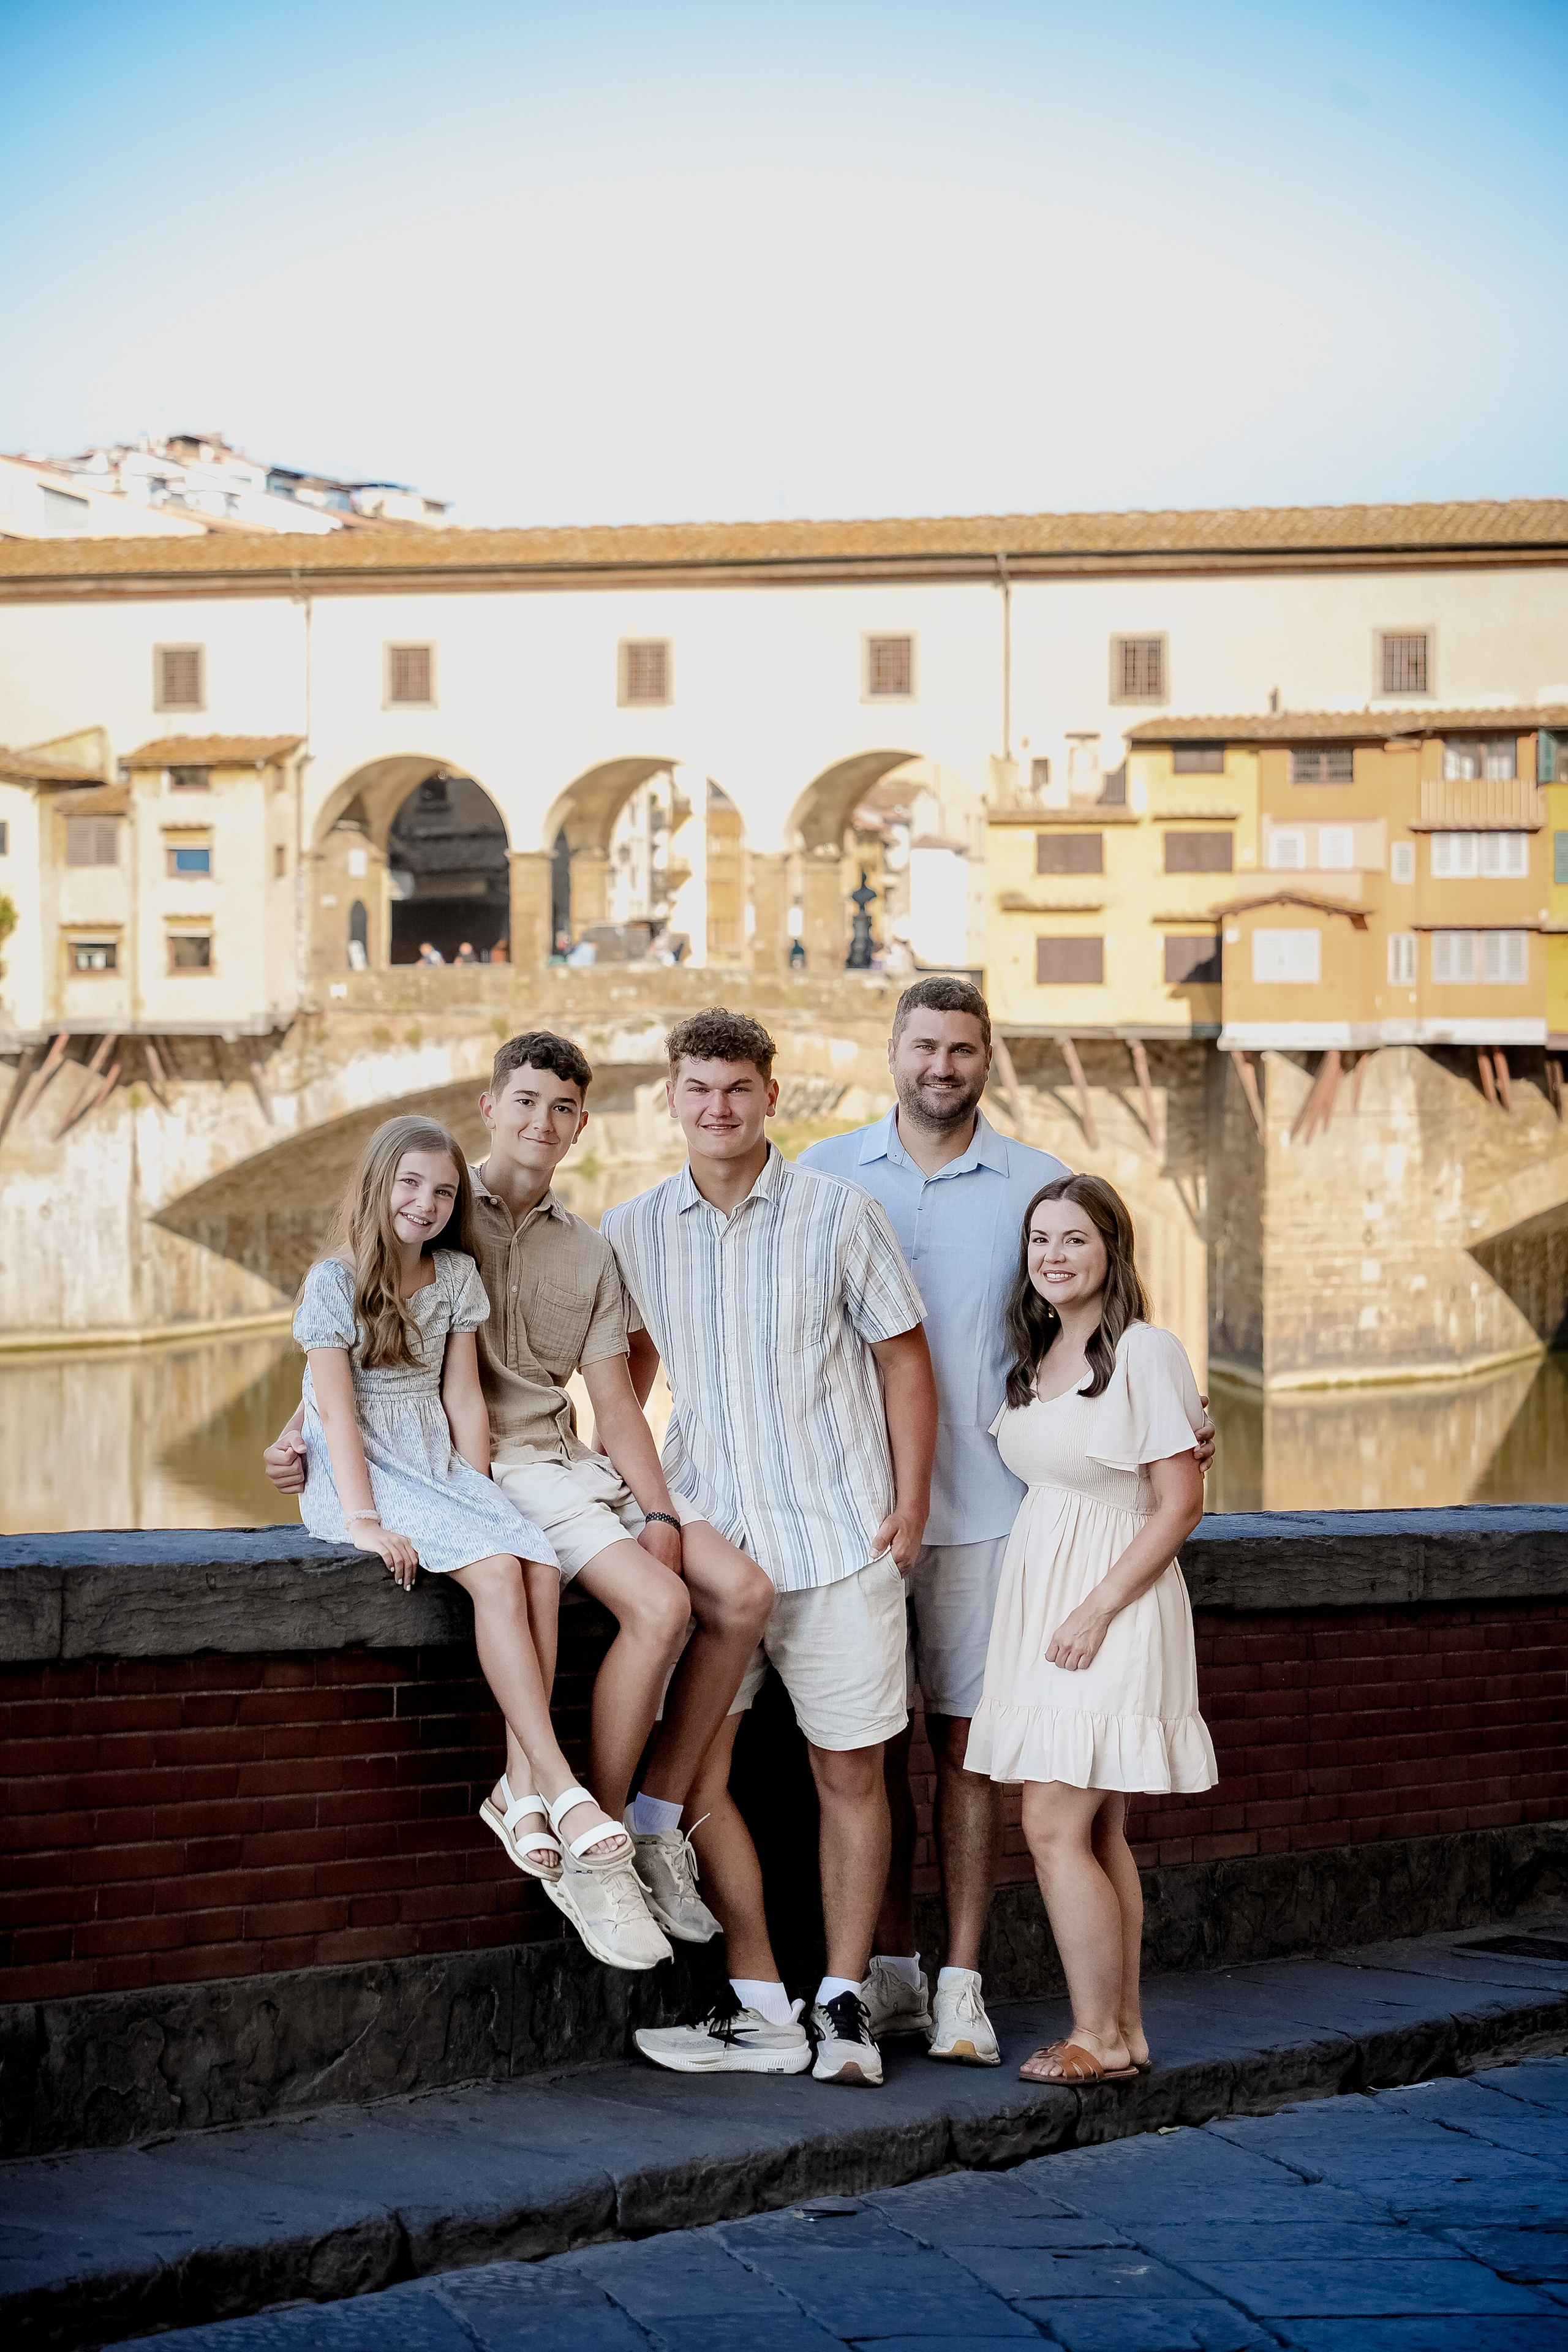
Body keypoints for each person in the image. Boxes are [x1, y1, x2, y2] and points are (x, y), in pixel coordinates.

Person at [265, 1032, 773, 1967]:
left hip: (574, 1460)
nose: (543, 1123)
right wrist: (307, 1437)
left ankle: (654, 1816)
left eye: (564, 1108)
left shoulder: (589, 1247)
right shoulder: (449, 1216)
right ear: (491, 1109)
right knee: (660, 1608)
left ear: (583, 1124)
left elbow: (617, 1403)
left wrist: (659, 1514)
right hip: (496, 1469)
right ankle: (598, 1842)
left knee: (739, 1594)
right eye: (526, 1103)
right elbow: (364, 1335)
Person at [802, 976, 1215, 2067]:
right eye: (925, 1046)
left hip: (1005, 1529)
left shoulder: (1040, 1186)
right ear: (892, 1049)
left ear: (989, 1059)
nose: (942, 1066)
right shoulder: (822, 1175)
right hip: (850, 1515)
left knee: (978, 1757)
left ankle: (968, 1986)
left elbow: (1134, 1370)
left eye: (964, 1050)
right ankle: (898, 1978)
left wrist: (1180, 1420)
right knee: (865, 1744)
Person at [606, 1008, 938, 2089]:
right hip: (712, 1534)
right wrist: (634, 1496)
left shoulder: (842, 1216)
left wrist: (913, 1504)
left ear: (770, 1096)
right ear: (672, 1097)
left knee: (850, 1772)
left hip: (840, 1534)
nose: (718, 1107)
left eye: (737, 1087)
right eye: (698, 1088)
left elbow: (904, 1362)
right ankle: (761, 2003)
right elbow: (631, 1370)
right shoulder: (637, 1228)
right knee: (703, 1767)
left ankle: (842, 2000)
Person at [288, 1112, 665, 1973]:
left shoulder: (457, 1276)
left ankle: (518, 1795)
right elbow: (336, 1411)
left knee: (533, 1556)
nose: (425, 1202)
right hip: (366, 1473)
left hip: (441, 1464)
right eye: (410, 1185)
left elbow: (464, 1400)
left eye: (444, 1190)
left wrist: (478, 1489)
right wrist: (363, 1521)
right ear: (378, 1187)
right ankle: (556, 1784)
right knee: (500, 1571)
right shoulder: (332, 1282)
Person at [966, 1174, 1216, 2085]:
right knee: (1099, 1826)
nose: (1054, 1256)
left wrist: (1098, 1608)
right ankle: (1125, 2031)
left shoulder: (1145, 1351)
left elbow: (1180, 1503)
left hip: (1110, 1606)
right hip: (1047, 1602)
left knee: (1049, 1820)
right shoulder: (1037, 1357)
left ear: (1113, 1249)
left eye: (1074, 1239)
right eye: (1040, 1240)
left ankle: (1097, 2037)